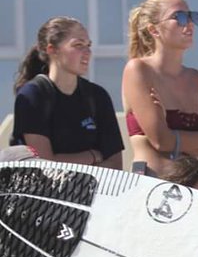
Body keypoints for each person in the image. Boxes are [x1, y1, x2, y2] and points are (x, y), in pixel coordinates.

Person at [122, 0, 198, 176]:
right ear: (154, 30)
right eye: (178, 17)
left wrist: (174, 138)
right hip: (151, 186)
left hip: (191, 189)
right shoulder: (138, 69)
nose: (188, 24)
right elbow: (161, 141)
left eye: (191, 17)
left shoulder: (196, 79)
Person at [10, 17, 123, 169]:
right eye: (78, 45)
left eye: (88, 46)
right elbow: (45, 165)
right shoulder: (33, 95)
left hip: (94, 191)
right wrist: (93, 155)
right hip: (44, 192)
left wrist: (63, 160)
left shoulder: (98, 96)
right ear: (52, 50)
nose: (87, 52)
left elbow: (115, 165)